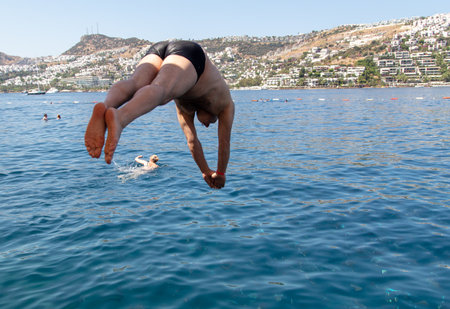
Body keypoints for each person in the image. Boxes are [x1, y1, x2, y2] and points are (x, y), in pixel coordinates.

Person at [84, 40, 234, 189]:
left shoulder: (185, 108)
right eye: (211, 122)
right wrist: (220, 173)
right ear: (215, 114)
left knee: (136, 84)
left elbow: (193, 142)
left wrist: (205, 171)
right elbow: (224, 143)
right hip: (192, 55)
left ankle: (105, 106)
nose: (207, 125)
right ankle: (120, 118)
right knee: (160, 90)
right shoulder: (225, 105)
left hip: (160, 49)